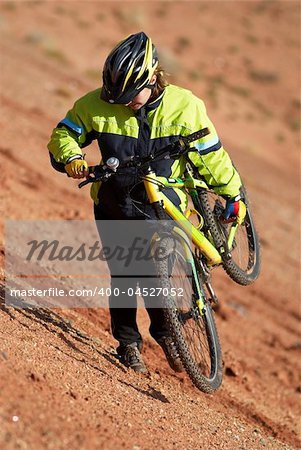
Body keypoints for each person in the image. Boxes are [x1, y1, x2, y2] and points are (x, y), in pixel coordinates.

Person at [48, 31, 245, 374]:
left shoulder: (186, 106)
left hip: (163, 206)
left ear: (153, 76)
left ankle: (166, 332)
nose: (124, 103)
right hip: (114, 205)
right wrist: (71, 158)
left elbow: (213, 157)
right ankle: (127, 345)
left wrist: (233, 193)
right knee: (124, 275)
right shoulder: (97, 104)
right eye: (117, 96)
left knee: (157, 276)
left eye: (131, 95)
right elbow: (64, 133)